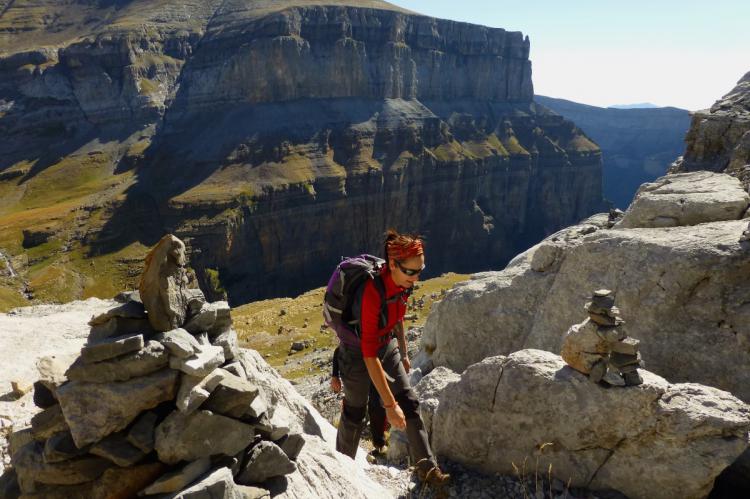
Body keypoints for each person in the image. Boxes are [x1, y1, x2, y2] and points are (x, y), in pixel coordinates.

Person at [335, 229, 450, 492]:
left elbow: (397, 318)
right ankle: (339, 471)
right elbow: (368, 354)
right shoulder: (372, 292)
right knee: (355, 412)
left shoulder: (402, 285)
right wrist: (388, 404)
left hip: (386, 345)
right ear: (393, 265)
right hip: (356, 354)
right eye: (411, 271)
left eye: (420, 270)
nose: (417, 277)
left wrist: (404, 353)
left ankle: (429, 471)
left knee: (409, 402)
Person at [331, 346, 389, 456]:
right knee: (354, 411)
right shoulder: (352, 334)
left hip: (374, 367)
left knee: (377, 405)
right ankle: (345, 452)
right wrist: (335, 375)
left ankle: (379, 444)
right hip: (356, 370)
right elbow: (340, 349)